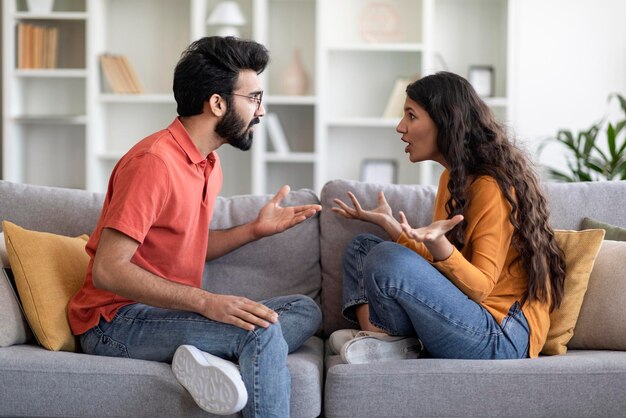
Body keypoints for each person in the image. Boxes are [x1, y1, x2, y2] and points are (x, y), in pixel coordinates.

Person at [68, 36, 322, 417]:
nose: (262, 111)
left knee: (305, 309)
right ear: (217, 103)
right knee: (265, 332)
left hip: (161, 316)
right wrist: (208, 303)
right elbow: (108, 269)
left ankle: (215, 355)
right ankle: (232, 350)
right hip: (114, 322)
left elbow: (189, 244)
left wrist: (254, 230)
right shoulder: (154, 162)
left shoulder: (207, 163)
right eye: (253, 98)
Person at [329, 71, 566, 363]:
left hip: (499, 334)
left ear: (445, 121)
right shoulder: (450, 179)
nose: (400, 127)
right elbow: (442, 270)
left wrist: (440, 247)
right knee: (363, 247)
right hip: (465, 314)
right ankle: (386, 342)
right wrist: (391, 225)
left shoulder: (489, 187)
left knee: (385, 256)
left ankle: (385, 340)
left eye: (411, 116)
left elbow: (480, 288)